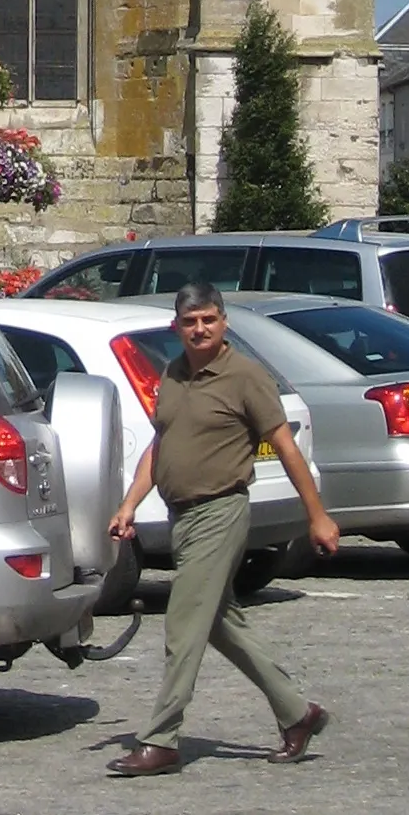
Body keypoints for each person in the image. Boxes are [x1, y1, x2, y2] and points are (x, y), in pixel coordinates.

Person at [106, 282, 338, 778]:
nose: (200, 329)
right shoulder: (171, 374)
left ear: (224, 321)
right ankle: (298, 713)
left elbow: (287, 446)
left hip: (221, 511)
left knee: (183, 626)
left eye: (208, 319)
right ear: (177, 326)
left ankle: (161, 740)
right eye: (190, 322)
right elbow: (161, 444)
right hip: (180, 517)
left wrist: (318, 515)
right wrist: (129, 504)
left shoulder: (245, 377)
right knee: (219, 621)